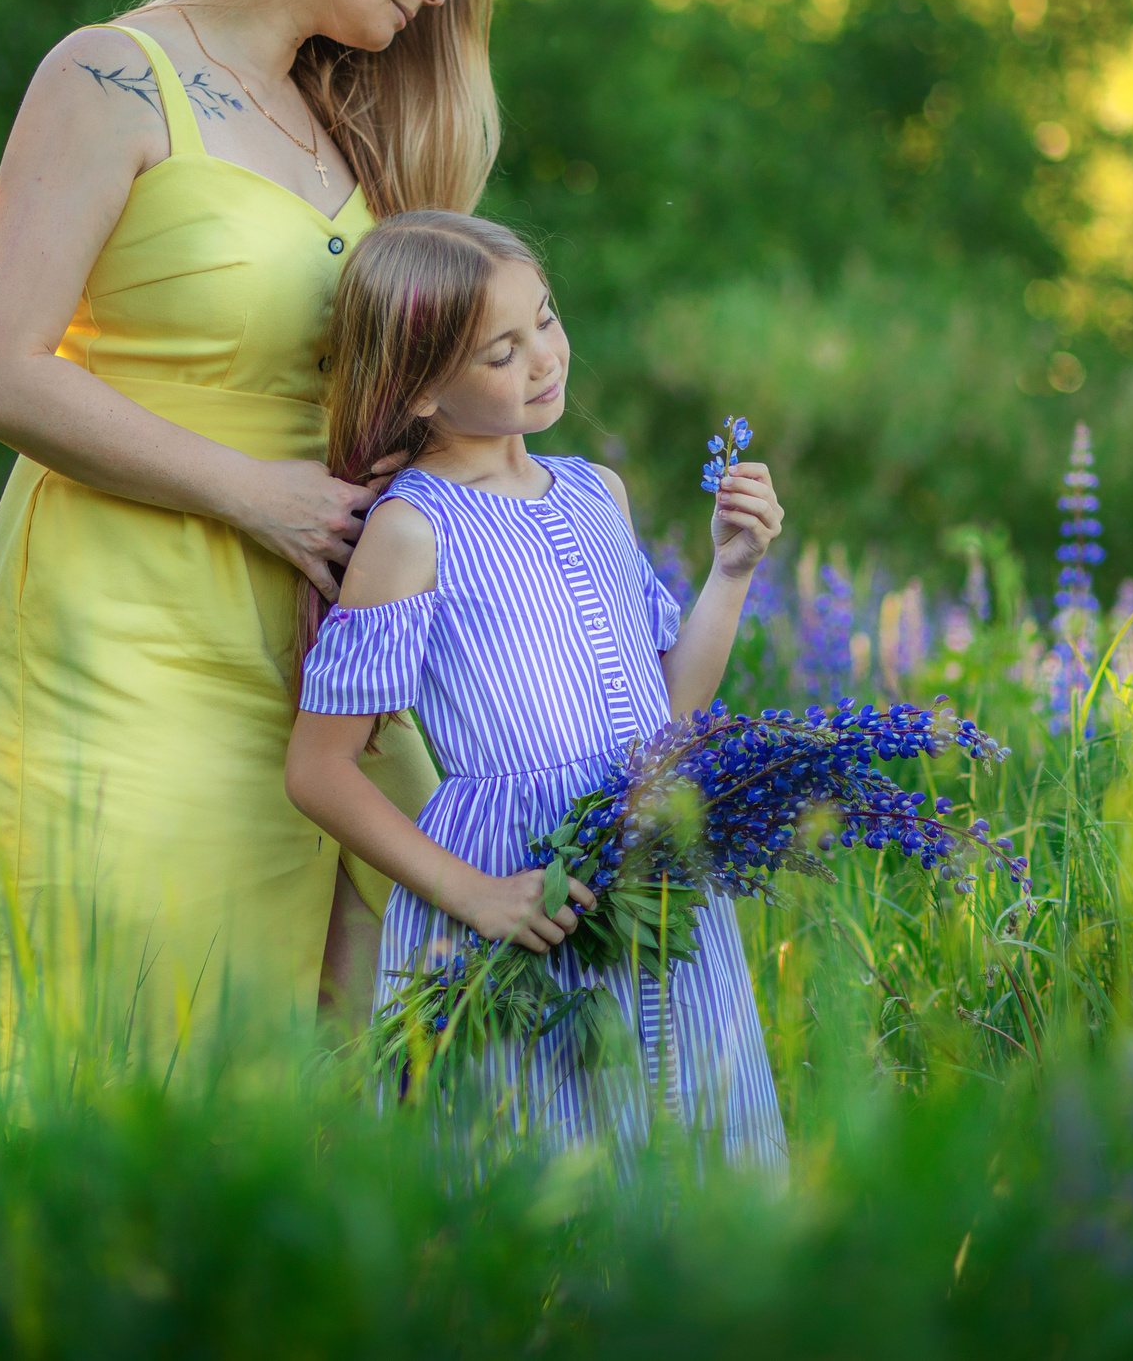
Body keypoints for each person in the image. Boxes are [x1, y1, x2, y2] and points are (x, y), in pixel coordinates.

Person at [0, 0, 493, 1052]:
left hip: (301, 639)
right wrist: (261, 496)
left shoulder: (335, 131)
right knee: (135, 1023)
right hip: (122, 619)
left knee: (323, 1035)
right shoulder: (110, 76)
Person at [285, 211, 788, 1163]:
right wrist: (475, 896)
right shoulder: (411, 532)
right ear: (422, 386)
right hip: (520, 891)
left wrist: (731, 573)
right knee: (552, 1173)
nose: (546, 359)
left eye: (547, 321)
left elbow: (667, 712)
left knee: (695, 1150)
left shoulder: (596, 491)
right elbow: (318, 769)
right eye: (501, 351)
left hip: (651, 866)